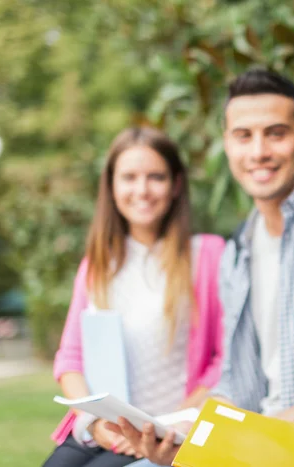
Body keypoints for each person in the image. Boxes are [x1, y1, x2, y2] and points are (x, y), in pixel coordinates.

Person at [117, 69, 294, 467]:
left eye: (276, 133)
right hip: (255, 444)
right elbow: (236, 382)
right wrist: (182, 431)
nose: (259, 151)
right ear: (227, 144)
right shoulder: (238, 250)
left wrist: (265, 433)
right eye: (244, 136)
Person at [42, 127, 225, 467]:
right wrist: (94, 422)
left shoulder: (208, 256)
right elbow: (70, 357)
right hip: (101, 427)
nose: (142, 190)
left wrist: (167, 423)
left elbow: (224, 359)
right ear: (111, 186)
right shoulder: (97, 265)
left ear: (176, 185)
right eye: (129, 177)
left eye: (155, 177)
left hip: (164, 431)